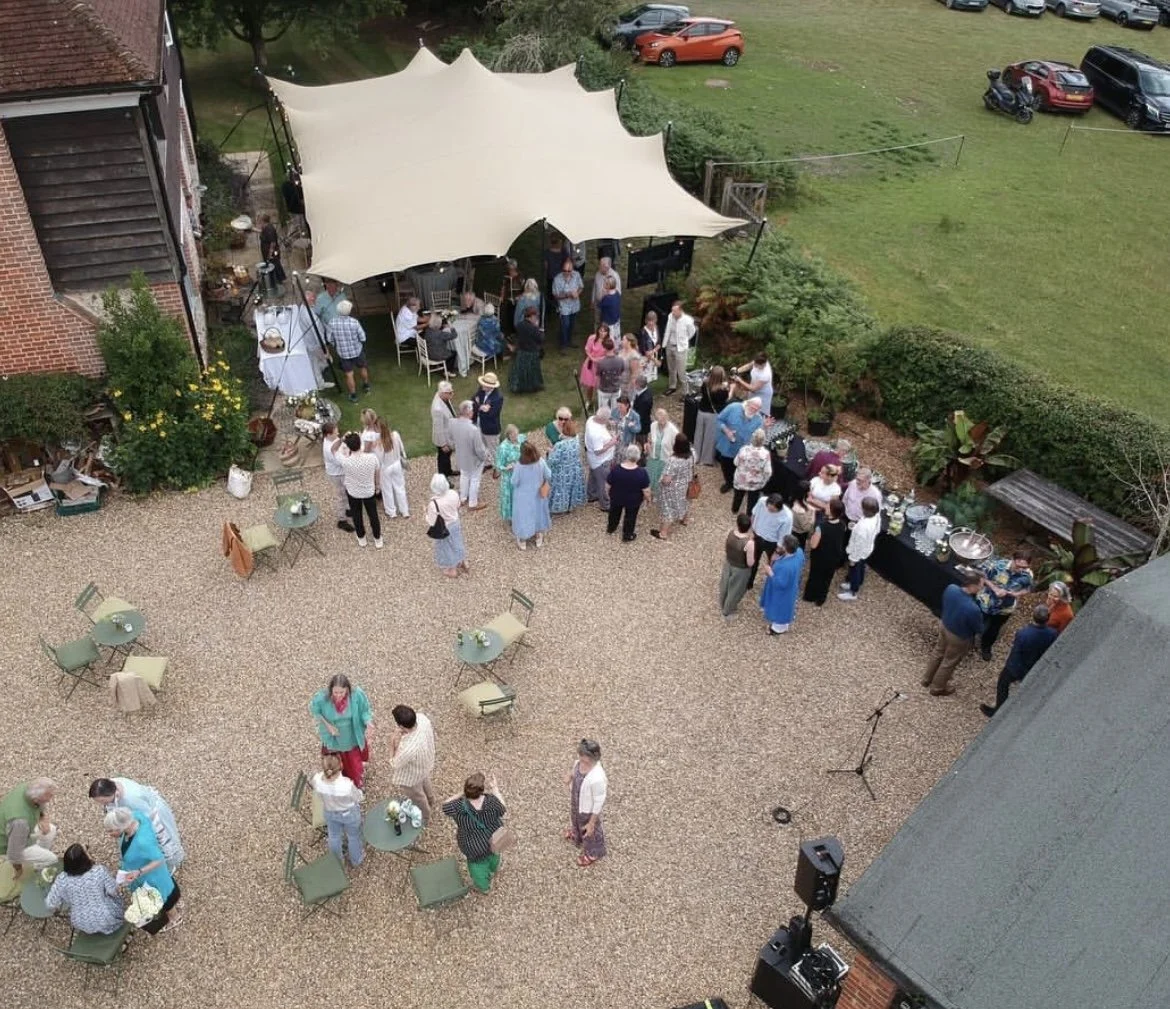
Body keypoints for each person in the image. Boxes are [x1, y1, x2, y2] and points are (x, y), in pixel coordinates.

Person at [104, 807, 180, 934]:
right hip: (152, 873)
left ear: (121, 826)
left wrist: (139, 871)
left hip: (151, 876)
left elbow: (159, 859)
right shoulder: (136, 816)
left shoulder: (142, 842)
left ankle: (175, 917)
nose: (109, 834)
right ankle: (175, 904)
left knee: (162, 897)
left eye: (111, 830)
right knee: (167, 889)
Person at [87, 778, 184, 873]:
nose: (102, 804)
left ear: (111, 793)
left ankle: (168, 863)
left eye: (103, 801)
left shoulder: (131, 800)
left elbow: (147, 818)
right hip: (139, 811)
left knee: (161, 842)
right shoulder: (111, 785)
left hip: (150, 815)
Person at [980, 605, 1059, 717]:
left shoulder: (1023, 634)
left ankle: (998, 710)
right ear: (1048, 618)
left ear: (1033, 616)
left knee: (1003, 684)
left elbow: (1016, 652)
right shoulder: (1053, 633)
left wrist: (1011, 666)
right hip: (1034, 666)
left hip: (1016, 667)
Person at [922, 570, 985, 696]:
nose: (982, 587)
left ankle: (926, 679)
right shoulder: (973, 609)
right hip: (958, 637)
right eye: (981, 585)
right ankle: (937, 688)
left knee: (938, 652)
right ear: (972, 586)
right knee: (949, 662)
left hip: (944, 625)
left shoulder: (951, 588)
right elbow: (978, 629)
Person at [442, 773, 507, 893]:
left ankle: (484, 887)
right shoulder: (491, 801)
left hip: (473, 845)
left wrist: (461, 794)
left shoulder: (458, 806)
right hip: (494, 839)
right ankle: (494, 868)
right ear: (482, 790)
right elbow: (503, 808)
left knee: (477, 868)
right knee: (494, 855)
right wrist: (495, 789)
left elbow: (445, 805)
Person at [45, 843, 125, 936]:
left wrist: (68, 898)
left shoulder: (61, 879)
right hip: (105, 918)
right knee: (116, 900)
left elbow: (51, 903)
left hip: (80, 922)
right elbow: (113, 891)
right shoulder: (99, 871)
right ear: (85, 858)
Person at [310, 673, 374, 787]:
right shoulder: (322, 698)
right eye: (335, 692)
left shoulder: (357, 696)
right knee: (334, 762)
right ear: (331, 690)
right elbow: (315, 710)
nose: (338, 695)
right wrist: (328, 725)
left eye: (341, 692)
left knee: (353, 763)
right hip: (334, 738)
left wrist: (368, 722)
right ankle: (338, 780)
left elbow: (365, 710)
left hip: (351, 736)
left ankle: (355, 783)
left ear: (347, 690)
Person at [976, 552, 1034, 661]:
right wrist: (995, 588)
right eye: (1018, 566)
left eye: (1024, 567)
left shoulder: (1028, 575)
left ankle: (986, 647)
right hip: (986, 602)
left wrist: (1016, 594)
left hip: (1004, 609)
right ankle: (968, 639)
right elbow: (982, 576)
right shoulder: (997, 565)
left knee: (994, 629)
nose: (1020, 570)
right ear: (1012, 559)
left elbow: (1028, 589)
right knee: (977, 621)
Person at [311, 754, 364, 869]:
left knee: (334, 836)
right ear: (341, 765)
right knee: (353, 836)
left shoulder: (316, 780)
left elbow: (317, 794)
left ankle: (338, 862)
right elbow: (358, 797)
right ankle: (356, 860)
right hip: (348, 813)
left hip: (330, 812)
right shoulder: (346, 785)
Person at [332, 431, 382, 548]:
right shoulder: (372, 458)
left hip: (353, 493)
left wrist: (342, 439)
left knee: (357, 515)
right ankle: (377, 538)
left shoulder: (346, 461)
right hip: (369, 491)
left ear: (348, 447)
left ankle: (362, 538)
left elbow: (333, 450)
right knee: (373, 515)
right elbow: (377, 472)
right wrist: (378, 486)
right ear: (360, 443)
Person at [390, 704, 438, 825]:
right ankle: (431, 800)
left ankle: (425, 816)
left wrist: (392, 743)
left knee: (417, 796)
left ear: (401, 726)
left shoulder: (407, 748)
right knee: (425, 781)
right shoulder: (422, 719)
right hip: (425, 763)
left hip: (411, 775)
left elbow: (395, 763)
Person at [565, 739, 607, 867]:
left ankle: (594, 852)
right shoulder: (579, 763)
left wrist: (592, 822)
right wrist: (570, 776)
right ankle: (577, 835)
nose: (582, 760)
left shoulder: (597, 777)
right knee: (576, 819)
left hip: (588, 809)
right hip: (577, 801)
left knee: (590, 831)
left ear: (593, 758)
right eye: (581, 756)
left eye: (585, 758)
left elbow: (599, 801)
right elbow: (575, 771)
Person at [2, 778, 57, 876]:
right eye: (47, 798)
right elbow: (13, 854)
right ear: (35, 799)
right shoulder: (20, 821)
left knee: (51, 829)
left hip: (21, 830)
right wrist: (18, 869)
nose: (50, 800)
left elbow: (40, 807)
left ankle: (37, 862)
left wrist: (43, 819)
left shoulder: (27, 787)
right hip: (9, 843)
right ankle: (38, 866)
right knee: (52, 859)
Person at [714, 397, 765, 492]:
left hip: (742, 451)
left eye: (756, 409)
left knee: (738, 468)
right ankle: (728, 482)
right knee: (726, 465)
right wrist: (727, 431)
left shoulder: (758, 420)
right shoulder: (733, 407)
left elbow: (758, 436)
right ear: (747, 402)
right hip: (727, 447)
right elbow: (719, 419)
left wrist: (765, 427)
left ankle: (736, 482)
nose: (753, 410)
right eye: (752, 407)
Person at [803, 497, 847, 605]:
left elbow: (813, 545)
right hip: (834, 556)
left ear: (831, 511)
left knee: (815, 575)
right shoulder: (842, 524)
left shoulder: (821, 526)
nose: (825, 506)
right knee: (827, 578)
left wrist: (813, 536)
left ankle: (810, 596)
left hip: (820, 556)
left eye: (828, 506)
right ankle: (821, 598)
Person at [652, 433, 694, 541]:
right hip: (685, 485)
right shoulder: (691, 455)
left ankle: (663, 533)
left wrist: (660, 481)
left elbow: (667, 480)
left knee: (668, 509)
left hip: (671, 489)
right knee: (685, 501)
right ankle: (685, 520)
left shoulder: (673, 460)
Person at [325, 300, 369, 403]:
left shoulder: (332, 322)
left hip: (343, 354)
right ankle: (366, 386)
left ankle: (353, 396)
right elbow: (363, 337)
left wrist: (336, 345)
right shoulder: (354, 322)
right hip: (357, 351)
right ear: (349, 311)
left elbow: (329, 338)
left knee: (349, 374)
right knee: (362, 368)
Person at [838, 497, 881, 601]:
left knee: (854, 570)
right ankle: (858, 582)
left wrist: (853, 559)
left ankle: (853, 591)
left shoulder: (863, 527)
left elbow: (858, 545)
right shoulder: (877, 516)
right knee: (861, 568)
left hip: (858, 552)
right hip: (867, 548)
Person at [760, 535, 805, 636]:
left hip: (782, 592)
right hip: (791, 586)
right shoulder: (799, 552)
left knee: (780, 608)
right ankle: (782, 625)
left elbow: (780, 584)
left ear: (786, 548)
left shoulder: (786, 567)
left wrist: (770, 572)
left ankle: (777, 629)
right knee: (786, 606)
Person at [511, 441, 552, 550]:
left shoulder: (519, 466)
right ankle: (538, 535)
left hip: (523, 497)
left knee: (523, 516)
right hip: (538, 494)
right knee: (538, 514)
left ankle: (523, 539)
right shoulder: (541, 462)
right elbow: (548, 474)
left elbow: (514, 481)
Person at [426, 473, 469, 577]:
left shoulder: (434, 503)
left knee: (447, 548)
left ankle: (452, 569)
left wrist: (426, 513)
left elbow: (431, 522)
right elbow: (458, 505)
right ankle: (463, 561)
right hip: (455, 522)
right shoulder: (453, 493)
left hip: (444, 527)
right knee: (458, 542)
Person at [748, 493, 793, 591]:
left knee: (773, 566)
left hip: (772, 543)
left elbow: (784, 535)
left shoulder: (787, 516)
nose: (769, 511)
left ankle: (771, 585)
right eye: (768, 508)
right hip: (758, 536)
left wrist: (777, 551)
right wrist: (752, 530)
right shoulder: (762, 501)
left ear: (779, 508)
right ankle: (749, 582)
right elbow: (754, 514)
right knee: (753, 561)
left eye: (773, 510)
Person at [606, 444, 651, 542]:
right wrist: (648, 499)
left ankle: (611, 528)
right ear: (638, 457)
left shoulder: (616, 469)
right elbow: (646, 490)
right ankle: (627, 535)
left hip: (616, 497)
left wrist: (608, 494)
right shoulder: (642, 472)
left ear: (626, 455)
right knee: (631, 517)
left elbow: (608, 485)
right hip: (633, 500)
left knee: (614, 513)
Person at [451, 400, 489, 512]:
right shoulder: (473, 430)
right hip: (473, 459)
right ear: (469, 413)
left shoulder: (454, 424)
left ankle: (463, 498)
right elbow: (479, 449)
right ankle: (473, 503)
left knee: (464, 475)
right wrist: (484, 457)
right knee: (475, 479)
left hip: (461, 455)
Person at [719, 513, 757, 619]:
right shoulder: (749, 543)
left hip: (729, 562)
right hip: (741, 569)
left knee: (725, 584)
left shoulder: (731, 533)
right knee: (735, 590)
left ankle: (722, 602)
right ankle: (727, 611)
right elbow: (750, 562)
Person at [548, 417, 587, 514]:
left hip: (562, 472)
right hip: (574, 469)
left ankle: (560, 508)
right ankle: (571, 506)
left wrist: (551, 451)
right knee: (572, 488)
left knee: (562, 490)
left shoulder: (560, 445)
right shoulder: (576, 439)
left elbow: (553, 461)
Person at [321, 420, 354, 532]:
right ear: (328, 434)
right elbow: (342, 462)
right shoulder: (328, 449)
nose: (338, 434)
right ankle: (342, 520)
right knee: (340, 496)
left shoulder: (330, 439)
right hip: (337, 474)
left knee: (346, 492)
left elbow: (337, 443)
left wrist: (343, 438)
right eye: (335, 433)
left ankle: (348, 509)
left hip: (340, 472)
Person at [732, 427, 773, 515]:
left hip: (741, 480)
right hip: (755, 483)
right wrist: (764, 480)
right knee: (753, 499)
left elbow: (735, 462)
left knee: (738, 495)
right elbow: (768, 471)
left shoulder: (743, 449)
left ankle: (735, 509)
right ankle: (749, 514)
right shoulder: (765, 454)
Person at [695, 366, 730, 466]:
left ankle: (696, 456)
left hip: (701, 411)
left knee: (698, 435)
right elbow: (724, 401)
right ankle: (706, 460)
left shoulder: (705, 383)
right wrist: (729, 390)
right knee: (709, 438)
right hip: (712, 415)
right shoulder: (722, 390)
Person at [375, 415, 409, 519]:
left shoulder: (379, 443)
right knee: (400, 488)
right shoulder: (395, 435)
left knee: (387, 490)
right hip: (397, 464)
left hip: (386, 467)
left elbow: (379, 460)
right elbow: (402, 449)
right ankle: (405, 511)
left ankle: (391, 511)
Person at [585, 408, 617, 511]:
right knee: (603, 482)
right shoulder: (596, 433)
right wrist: (612, 442)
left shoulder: (591, 419)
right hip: (601, 461)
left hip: (593, 460)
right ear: (603, 419)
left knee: (594, 476)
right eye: (608, 419)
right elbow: (598, 451)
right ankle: (605, 504)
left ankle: (592, 494)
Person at [661, 300, 696, 395]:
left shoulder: (687, 320)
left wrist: (684, 340)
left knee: (681, 372)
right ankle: (672, 386)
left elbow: (692, 332)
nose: (673, 313)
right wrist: (664, 345)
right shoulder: (670, 317)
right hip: (670, 346)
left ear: (680, 310)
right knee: (671, 369)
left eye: (675, 311)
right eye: (672, 311)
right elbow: (667, 330)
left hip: (680, 348)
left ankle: (686, 392)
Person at [510, 306, 545, 393]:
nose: (536, 318)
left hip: (522, 351)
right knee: (532, 372)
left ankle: (518, 387)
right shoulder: (533, 328)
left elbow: (518, 336)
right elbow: (540, 339)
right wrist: (539, 329)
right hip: (532, 352)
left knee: (521, 371)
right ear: (531, 316)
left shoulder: (519, 325)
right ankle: (533, 387)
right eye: (535, 316)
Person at [552, 257, 584, 349]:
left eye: (568, 271)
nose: (566, 272)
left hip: (574, 305)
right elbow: (555, 295)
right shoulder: (557, 279)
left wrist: (577, 294)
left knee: (572, 324)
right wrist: (568, 295)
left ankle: (569, 341)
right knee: (565, 324)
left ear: (572, 270)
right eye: (564, 270)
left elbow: (581, 287)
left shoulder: (577, 275)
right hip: (564, 306)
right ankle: (563, 343)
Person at [645, 407, 679, 493]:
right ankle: (650, 494)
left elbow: (677, 447)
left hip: (665, 459)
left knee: (661, 480)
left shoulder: (673, 430)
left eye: (664, 418)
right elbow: (650, 438)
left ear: (667, 417)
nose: (662, 422)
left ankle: (659, 496)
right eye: (660, 420)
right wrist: (648, 445)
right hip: (653, 458)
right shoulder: (653, 425)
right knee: (650, 478)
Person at [473, 372, 505, 463]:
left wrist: (479, 408)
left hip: (491, 428)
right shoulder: (481, 390)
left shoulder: (497, 398)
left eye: (485, 385)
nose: (482, 385)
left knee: (494, 449)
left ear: (491, 387)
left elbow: (492, 414)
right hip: (480, 424)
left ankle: (497, 468)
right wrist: (481, 407)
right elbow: (473, 400)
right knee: (483, 446)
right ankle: (487, 463)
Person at [495, 425, 525, 521]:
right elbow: (498, 465)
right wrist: (506, 467)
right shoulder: (503, 448)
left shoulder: (521, 438)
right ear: (508, 435)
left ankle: (522, 512)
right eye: (514, 435)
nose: (516, 437)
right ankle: (512, 517)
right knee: (512, 496)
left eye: (517, 434)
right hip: (510, 476)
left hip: (522, 473)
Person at [430, 380, 457, 478]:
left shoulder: (443, 398)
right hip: (443, 439)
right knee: (443, 458)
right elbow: (438, 428)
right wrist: (443, 444)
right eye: (450, 393)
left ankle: (448, 471)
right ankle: (443, 478)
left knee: (447, 456)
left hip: (448, 435)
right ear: (443, 393)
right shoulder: (438, 409)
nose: (452, 394)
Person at [595, 337, 627, 413]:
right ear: (613, 347)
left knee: (603, 411)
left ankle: (604, 422)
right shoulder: (620, 360)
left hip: (604, 390)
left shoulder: (601, 362)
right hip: (616, 388)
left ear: (604, 348)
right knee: (616, 410)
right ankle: (614, 422)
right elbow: (622, 371)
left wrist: (598, 387)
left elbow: (598, 376)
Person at [500, 259, 525, 337]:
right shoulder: (506, 276)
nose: (510, 271)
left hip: (517, 300)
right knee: (508, 316)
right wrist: (502, 296)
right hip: (508, 299)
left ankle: (517, 332)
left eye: (512, 269)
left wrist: (519, 297)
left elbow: (524, 290)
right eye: (509, 269)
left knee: (516, 315)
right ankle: (509, 333)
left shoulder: (520, 276)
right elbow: (503, 287)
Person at [258, 213, 285, 285]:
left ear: (263, 221)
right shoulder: (265, 228)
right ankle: (275, 280)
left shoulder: (270, 229)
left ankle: (278, 282)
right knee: (272, 265)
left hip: (272, 252)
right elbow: (263, 233)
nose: (258, 222)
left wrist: (270, 254)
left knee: (274, 265)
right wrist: (253, 229)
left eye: (259, 220)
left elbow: (273, 243)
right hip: (266, 251)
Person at [592, 257, 622, 321]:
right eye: (600, 265)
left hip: (608, 307)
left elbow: (618, 293)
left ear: (608, 267)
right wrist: (593, 300)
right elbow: (595, 287)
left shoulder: (615, 276)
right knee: (597, 322)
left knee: (606, 326)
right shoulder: (598, 274)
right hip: (598, 304)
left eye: (602, 266)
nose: (599, 267)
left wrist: (606, 296)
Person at [790, 480, 817, 548]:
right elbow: (806, 527)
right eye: (810, 490)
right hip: (798, 535)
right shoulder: (799, 509)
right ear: (806, 492)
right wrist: (813, 513)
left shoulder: (796, 500)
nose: (811, 492)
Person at [597, 274, 622, 342]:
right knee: (616, 337)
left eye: (605, 283)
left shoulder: (607, 298)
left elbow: (599, 305)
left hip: (608, 322)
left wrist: (602, 295)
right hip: (616, 320)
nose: (603, 285)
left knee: (609, 339)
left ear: (608, 285)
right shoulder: (617, 293)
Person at [631, 375, 654, 449]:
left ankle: (642, 457)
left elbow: (640, 416)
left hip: (642, 427)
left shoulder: (645, 400)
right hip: (642, 422)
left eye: (635, 383)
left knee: (642, 444)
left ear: (638, 385)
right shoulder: (644, 391)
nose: (634, 384)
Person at [638, 311, 660, 383]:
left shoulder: (656, 328)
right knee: (643, 379)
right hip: (645, 359)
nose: (651, 323)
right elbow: (646, 352)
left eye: (652, 321)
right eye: (649, 321)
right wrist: (655, 360)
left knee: (650, 379)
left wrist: (653, 351)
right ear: (646, 320)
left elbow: (659, 344)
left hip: (653, 356)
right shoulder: (643, 332)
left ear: (655, 320)